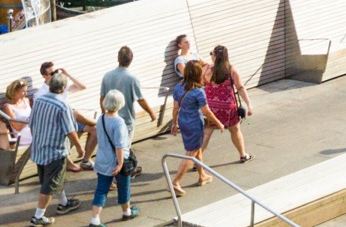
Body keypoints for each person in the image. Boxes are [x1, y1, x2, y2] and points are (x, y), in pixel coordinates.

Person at [28, 74, 87, 226]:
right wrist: (80, 148)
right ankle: (38, 216)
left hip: (39, 148)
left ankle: (64, 203)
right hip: (55, 151)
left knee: (53, 180)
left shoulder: (39, 101)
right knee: (49, 185)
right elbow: (70, 130)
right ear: (63, 88)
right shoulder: (63, 105)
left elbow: (32, 123)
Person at [85, 89, 138, 227]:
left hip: (102, 159)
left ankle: (95, 219)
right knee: (124, 187)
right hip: (116, 161)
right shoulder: (119, 122)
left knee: (101, 189)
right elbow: (120, 146)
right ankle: (127, 211)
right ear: (120, 104)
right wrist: (120, 163)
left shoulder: (101, 118)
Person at [168, 61, 221, 194]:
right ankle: (175, 182)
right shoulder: (198, 92)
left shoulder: (179, 86)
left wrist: (174, 123)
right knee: (191, 154)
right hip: (194, 124)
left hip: (183, 121)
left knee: (197, 150)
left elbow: (175, 108)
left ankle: (202, 175)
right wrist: (218, 123)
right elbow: (206, 112)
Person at [203, 45, 253, 164]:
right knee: (235, 130)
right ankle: (243, 155)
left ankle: (196, 161)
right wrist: (249, 104)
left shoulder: (206, 69)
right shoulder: (231, 69)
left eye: (211, 53)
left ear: (215, 56)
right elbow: (240, 87)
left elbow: (201, 84)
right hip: (228, 107)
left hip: (210, 107)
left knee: (207, 132)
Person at [99, 46, 157, 136]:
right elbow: (140, 100)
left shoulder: (107, 76)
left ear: (118, 58)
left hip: (109, 120)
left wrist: (104, 115)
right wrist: (151, 112)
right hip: (126, 122)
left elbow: (102, 98)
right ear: (131, 60)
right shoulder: (132, 79)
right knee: (123, 148)